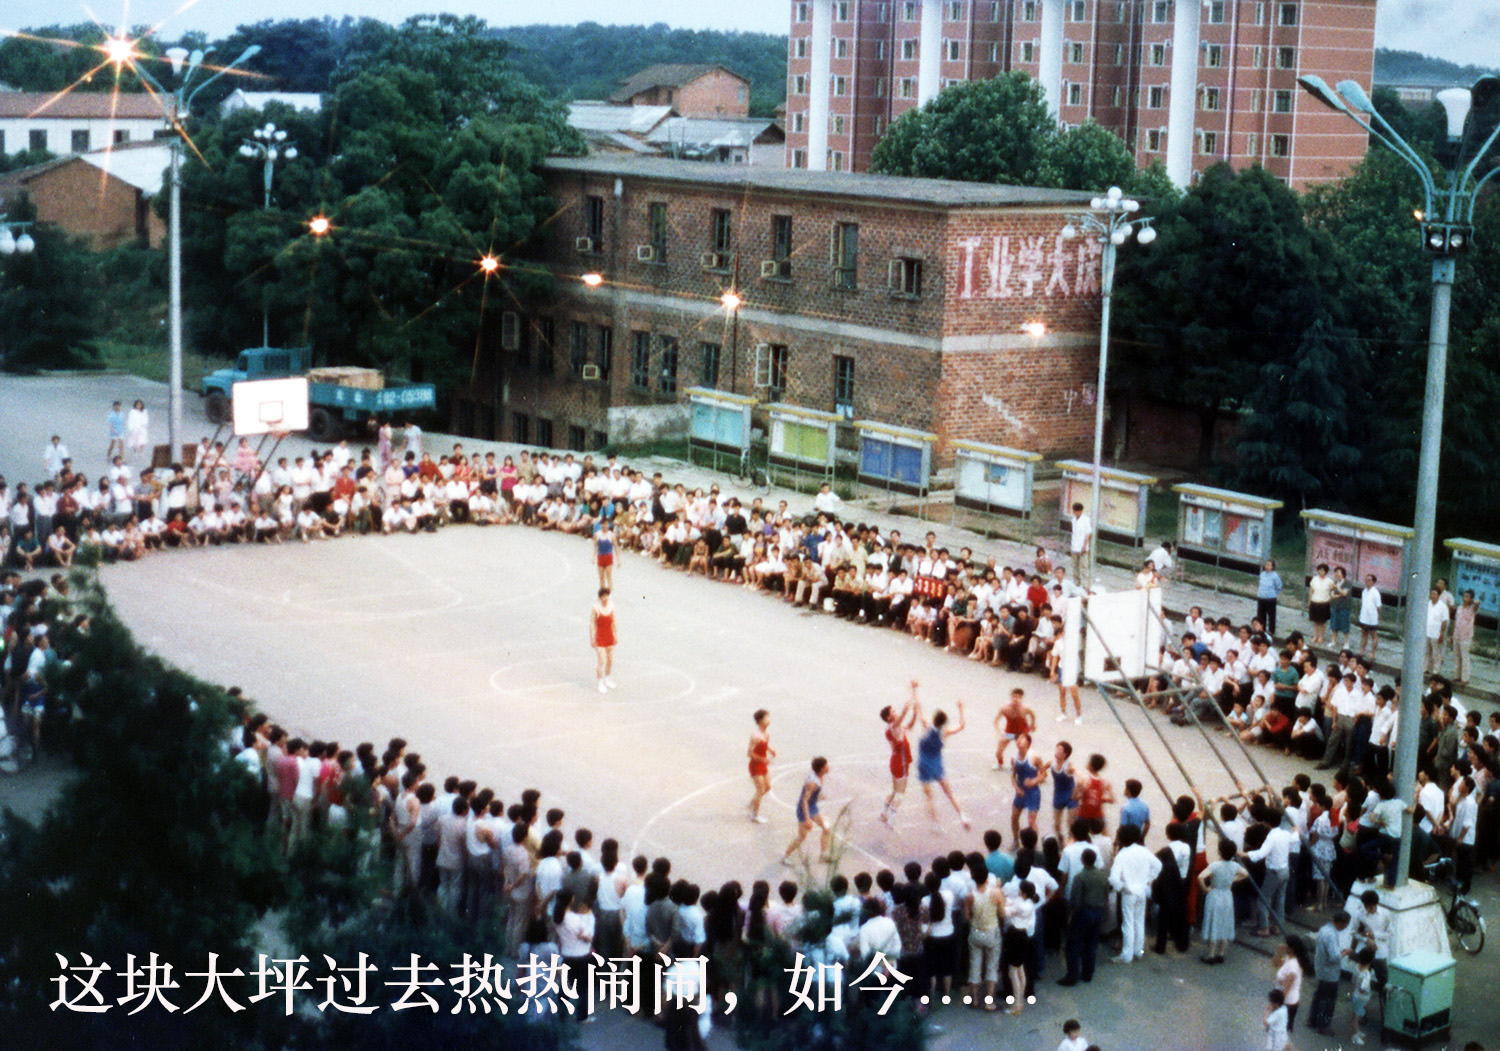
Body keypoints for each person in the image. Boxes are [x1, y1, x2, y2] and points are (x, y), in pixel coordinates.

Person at [1108, 824, 1161, 962]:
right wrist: (1148, 879)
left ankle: (1127, 955)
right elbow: (1158, 866)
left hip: (1129, 893)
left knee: (1128, 923)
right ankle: (1138, 950)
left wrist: (1122, 887)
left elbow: (1113, 878)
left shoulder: (1122, 854)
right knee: (1139, 922)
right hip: (1142, 891)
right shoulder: (1144, 851)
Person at [916, 701, 970, 829]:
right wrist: (961, 709)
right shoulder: (944, 732)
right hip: (937, 764)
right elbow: (961, 726)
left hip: (924, 765)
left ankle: (935, 823)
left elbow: (920, 710)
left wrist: (915, 693)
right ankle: (962, 815)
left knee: (930, 797)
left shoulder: (927, 727)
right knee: (949, 793)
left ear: (934, 719)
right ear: (944, 723)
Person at [1197, 838, 1248, 963]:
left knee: (1213, 922)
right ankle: (1221, 953)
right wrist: (1233, 880)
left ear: (1219, 852)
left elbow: (1201, 877)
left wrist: (1206, 889)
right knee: (1225, 922)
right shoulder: (1235, 866)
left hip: (1215, 895)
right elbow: (1245, 874)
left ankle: (1211, 954)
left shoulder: (1215, 865)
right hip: (1227, 895)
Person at [880, 682, 919, 825]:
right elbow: (903, 714)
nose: (896, 712)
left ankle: (883, 813)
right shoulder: (894, 726)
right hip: (900, 762)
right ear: (889, 718)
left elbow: (909, 725)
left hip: (898, 761)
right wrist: (913, 691)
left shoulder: (895, 727)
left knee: (894, 790)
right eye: (893, 712)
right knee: (900, 794)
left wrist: (915, 714)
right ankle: (891, 819)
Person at [1308, 910, 1351, 1035]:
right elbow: (1334, 957)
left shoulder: (1324, 929)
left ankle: (1312, 1020)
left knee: (1318, 996)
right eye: (1346, 924)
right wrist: (1345, 953)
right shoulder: (1332, 935)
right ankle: (1323, 1025)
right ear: (1342, 923)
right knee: (1328, 1001)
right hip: (1330, 973)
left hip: (1321, 969)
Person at [782, 757, 830, 865]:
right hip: (804, 810)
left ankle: (822, 855)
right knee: (802, 837)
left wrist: (819, 796)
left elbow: (812, 795)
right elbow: (804, 801)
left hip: (812, 807)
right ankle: (785, 856)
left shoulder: (820, 777)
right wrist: (808, 819)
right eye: (826, 766)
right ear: (822, 769)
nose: (828, 767)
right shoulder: (812, 783)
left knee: (826, 829)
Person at [1011, 732, 1044, 843]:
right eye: (1018, 738)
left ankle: (1032, 845)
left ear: (1028, 744)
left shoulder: (1034, 757)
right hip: (1020, 793)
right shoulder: (1014, 758)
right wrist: (1017, 788)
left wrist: (1033, 781)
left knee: (1031, 822)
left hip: (1033, 793)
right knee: (1014, 817)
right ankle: (1016, 840)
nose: (1019, 740)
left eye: (1022, 739)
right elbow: (1012, 777)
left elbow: (1043, 774)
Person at [994, 688, 1036, 766]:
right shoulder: (1004, 708)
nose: (1015, 699)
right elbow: (996, 721)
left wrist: (1033, 724)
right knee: (998, 752)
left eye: (1017, 697)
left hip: (1022, 732)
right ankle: (1000, 763)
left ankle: (1022, 764)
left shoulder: (1025, 708)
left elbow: (1032, 714)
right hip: (1009, 731)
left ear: (1021, 698)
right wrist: (999, 733)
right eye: (1013, 697)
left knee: (1022, 747)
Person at [747, 709, 775, 823]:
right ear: (760, 721)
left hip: (763, 764)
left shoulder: (766, 733)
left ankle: (753, 802)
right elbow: (749, 753)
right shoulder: (755, 736)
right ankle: (754, 815)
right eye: (766, 718)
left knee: (767, 787)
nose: (768, 720)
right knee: (760, 790)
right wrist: (763, 759)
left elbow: (764, 745)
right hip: (756, 765)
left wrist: (770, 750)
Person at [590, 587, 617, 693]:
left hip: (609, 635)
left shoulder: (611, 606)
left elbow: (614, 621)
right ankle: (600, 683)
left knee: (610, 659)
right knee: (601, 660)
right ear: (600, 598)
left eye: (607, 596)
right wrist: (592, 638)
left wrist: (615, 634)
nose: (605, 599)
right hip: (600, 636)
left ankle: (607, 678)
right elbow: (592, 623)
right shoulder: (596, 608)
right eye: (603, 597)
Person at [1350, 945, 1376, 1045]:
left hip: (1356, 995)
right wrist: (1368, 991)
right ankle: (1355, 1035)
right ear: (1371, 961)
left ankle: (1357, 1031)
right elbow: (1363, 987)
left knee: (1356, 1014)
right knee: (1356, 1017)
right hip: (1361, 998)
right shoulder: (1366, 974)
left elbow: (1353, 980)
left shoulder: (1356, 968)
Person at [1453, 589, 1477, 684]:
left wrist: (1473, 602)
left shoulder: (1472, 609)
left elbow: (1477, 603)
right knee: (1457, 656)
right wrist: (1452, 634)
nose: (1464, 598)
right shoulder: (1459, 608)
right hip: (1457, 634)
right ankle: (1457, 676)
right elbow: (1456, 621)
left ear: (1471, 599)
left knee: (1464, 657)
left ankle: (1465, 678)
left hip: (1466, 636)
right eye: (1464, 596)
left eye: (1467, 597)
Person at [1424, 587, 1450, 675]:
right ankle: (1426, 668)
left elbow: (1444, 622)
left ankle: (1436, 671)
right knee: (1427, 652)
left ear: (1438, 596)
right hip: (1427, 632)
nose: (1433, 596)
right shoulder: (1428, 604)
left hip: (1436, 634)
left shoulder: (1443, 607)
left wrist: (1442, 634)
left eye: (1434, 594)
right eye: (1432, 594)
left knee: (1436, 654)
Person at [1307, 563, 1334, 646]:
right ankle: (1315, 636)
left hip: (1324, 603)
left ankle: (1321, 636)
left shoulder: (1330, 581)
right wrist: (1309, 601)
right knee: (1315, 621)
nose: (1320, 572)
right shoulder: (1314, 579)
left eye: (1322, 570)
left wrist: (1330, 600)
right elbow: (1311, 590)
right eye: (1319, 570)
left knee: (1322, 622)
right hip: (1315, 602)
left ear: (1326, 571)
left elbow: (1332, 592)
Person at [1358, 574, 1382, 660]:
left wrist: (1378, 615)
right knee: (1364, 634)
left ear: (1373, 582)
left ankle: (1372, 653)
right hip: (1364, 617)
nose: (1367, 582)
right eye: (1366, 580)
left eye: (1369, 580)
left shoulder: (1375, 593)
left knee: (1373, 635)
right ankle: (1362, 650)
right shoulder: (1364, 591)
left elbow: (1379, 606)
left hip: (1372, 618)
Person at [1258, 560, 1284, 637]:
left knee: (1271, 616)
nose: (1267, 566)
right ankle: (1261, 630)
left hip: (1270, 599)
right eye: (1266, 564)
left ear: (1272, 567)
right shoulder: (1262, 574)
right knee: (1261, 615)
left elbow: (1279, 586)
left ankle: (1271, 631)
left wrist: (1274, 594)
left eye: (1269, 565)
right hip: (1261, 598)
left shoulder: (1275, 576)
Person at [1329, 566, 1352, 650]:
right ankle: (1333, 641)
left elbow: (1344, 593)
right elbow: (1332, 595)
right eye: (1335, 572)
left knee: (1345, 625)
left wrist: (1337, 589)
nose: (1336, 574)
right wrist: (1337, 594)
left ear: (1343, 574)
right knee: (1333, 624)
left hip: (1344, 607)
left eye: (1338, 572)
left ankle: (1346, 642)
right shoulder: (1335, 582)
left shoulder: (1347, 583)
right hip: (1335, 606)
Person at [1068, 502, 1090, 582]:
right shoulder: (1073, 520)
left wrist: (1084, 546)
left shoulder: (1085, 520)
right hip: (1074, 546)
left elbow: (1088, 534)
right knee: (1075, 566)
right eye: (1074, 511)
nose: (1075, 513)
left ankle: (1085, 584)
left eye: (1076, 511)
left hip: (1082, 547)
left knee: (1084, 566)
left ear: (1080, 511)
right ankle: (1076, 582)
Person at [594, 518, 616, 590]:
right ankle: (602, 591)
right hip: (600, 556)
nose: (605, 526)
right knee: (601, 577)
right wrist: (593, 557)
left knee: (608, 576)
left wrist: (618, 559)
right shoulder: (597, 534)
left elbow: (616, 547)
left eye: (607, 524)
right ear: (601, 525)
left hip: (608, 556)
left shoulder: (611, 535)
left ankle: (609, 592)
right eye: (604, 524)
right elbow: (595, 546)